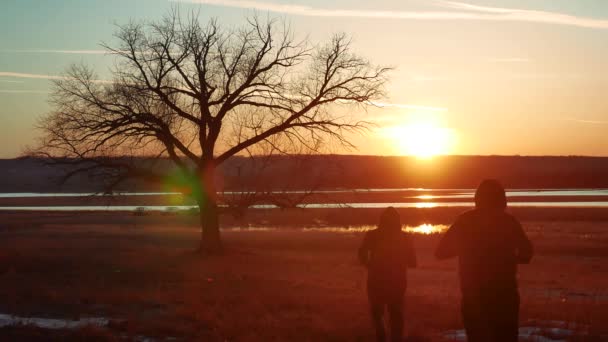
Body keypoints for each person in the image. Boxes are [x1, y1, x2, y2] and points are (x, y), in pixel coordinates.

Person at [435, 179, 533, 342]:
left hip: (474, 297)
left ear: (477, 198)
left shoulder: (464, 220)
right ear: (502, 199)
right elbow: (527, 254)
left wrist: (468, 251)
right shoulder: (509, 221)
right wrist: (508, 259)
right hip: (505, 296)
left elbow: (440, 252)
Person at [359, 207, 417, 342]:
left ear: (381, 220)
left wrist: (369, 265)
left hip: (376, 280)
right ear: (398, 221)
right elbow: (413, 262)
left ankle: (382, 338)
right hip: (397, 281)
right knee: (396, 313)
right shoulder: (404, 237)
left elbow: (361, 253)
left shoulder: (372, 234)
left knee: (377, 314)